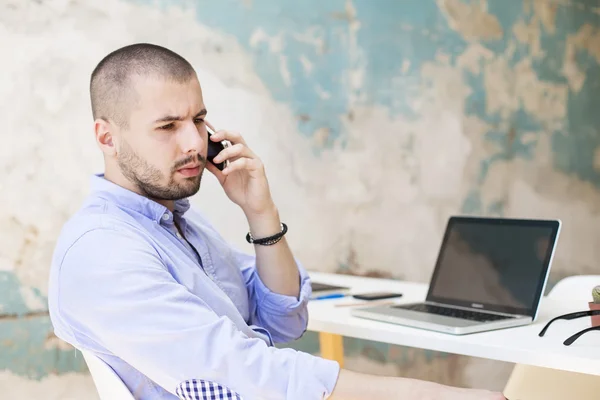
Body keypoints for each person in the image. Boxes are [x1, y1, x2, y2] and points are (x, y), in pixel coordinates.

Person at [47, 43, 505, 400]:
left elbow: (283, 320)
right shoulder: (102, 250)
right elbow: (244, 375)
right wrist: (430, 394)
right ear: (107, 136)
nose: (195, 142)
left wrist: (260, 212)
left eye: (200, 119)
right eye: (168, 127)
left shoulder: (179, 221)